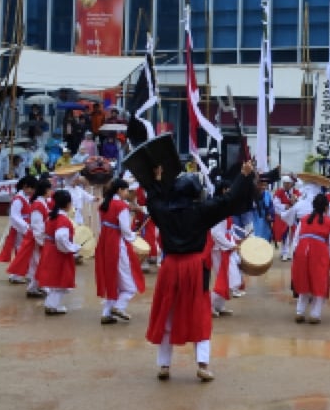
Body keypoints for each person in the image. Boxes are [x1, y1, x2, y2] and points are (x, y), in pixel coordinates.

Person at [143, 154, 257, 384]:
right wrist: (243, 176)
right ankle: (202, 365)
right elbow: (229, 200)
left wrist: (156, 179)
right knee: (200, 314)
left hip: (169, 267)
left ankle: (164, 366)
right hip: (194, 267)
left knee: (168, 313)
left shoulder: (163, 211)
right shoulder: (202, 211)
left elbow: (152, 201)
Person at [96, 180, 145, 325]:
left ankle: (106, 313)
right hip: (117, 244)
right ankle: (119, 307)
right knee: (129, 283)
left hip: (105, 243)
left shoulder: (105, 204)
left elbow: (102, 226)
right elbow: (124, 228)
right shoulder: (121, 206)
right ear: (119, 190)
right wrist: (132, 236)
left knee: (112, 278)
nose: (127, 193)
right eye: (126, 191)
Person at [290, 193, 330, 324]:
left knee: (304, 281)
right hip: (319, 252)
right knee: (319, 283)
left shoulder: (304, 219)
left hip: (302, 251)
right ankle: (315, 314)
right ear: (326, 208)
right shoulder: (329, 222)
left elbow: (295, 238)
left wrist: (295, 253)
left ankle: (300, 312)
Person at [34, 190, 81, 315]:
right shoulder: (63, 220)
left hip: (50, 249)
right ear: (67, 204)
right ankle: (52, 306)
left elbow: (44, 232)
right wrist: (72, 248)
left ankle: (51, 304)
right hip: (58, 252)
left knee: (55, 280)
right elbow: (60, 237)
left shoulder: (51, 216)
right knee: (61, 280)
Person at [8, 178, 52, 296]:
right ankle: (30, 282)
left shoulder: (40, 202)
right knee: (33, 259)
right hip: (28, 231)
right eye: (50, 189)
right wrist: (40, 238)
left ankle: (33, 286)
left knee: (32, 259)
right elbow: (15, 216)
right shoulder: (31, 202)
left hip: (31, 231)